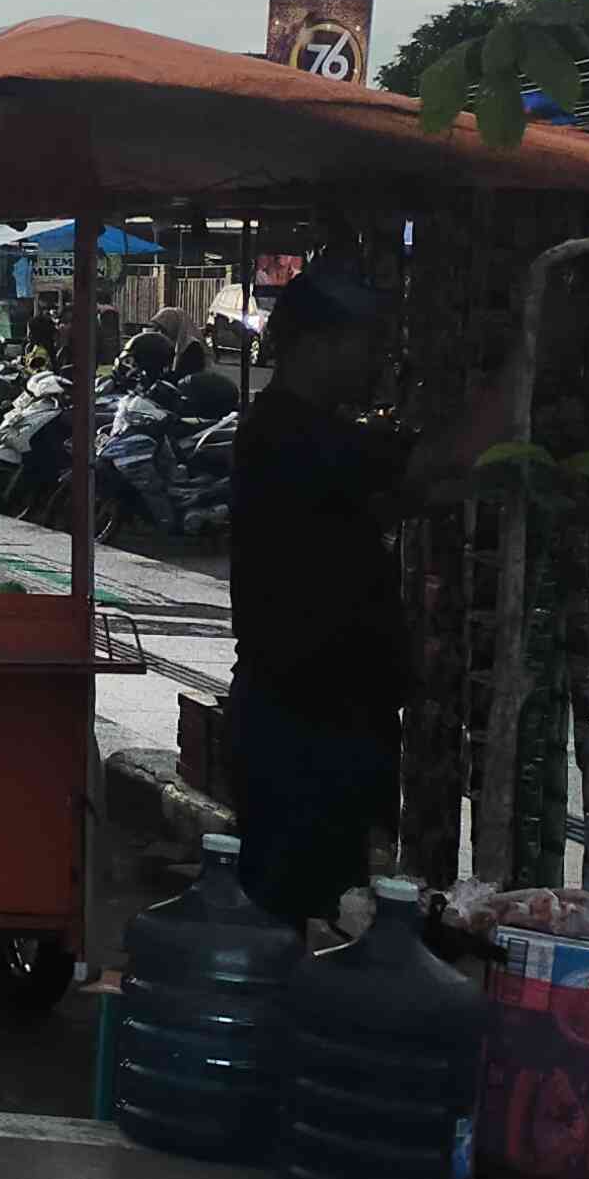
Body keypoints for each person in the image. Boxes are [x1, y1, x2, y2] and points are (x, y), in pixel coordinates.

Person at [228, 260, 497, 931]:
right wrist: (521, 368)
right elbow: (436, 462)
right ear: (321, 344)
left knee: (329, 903)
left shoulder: (311, 438)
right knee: (290, 908)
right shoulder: (290, 433)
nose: (376, 362)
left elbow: (410, 494)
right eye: (366, 345)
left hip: (336, 716)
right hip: (301, 722)